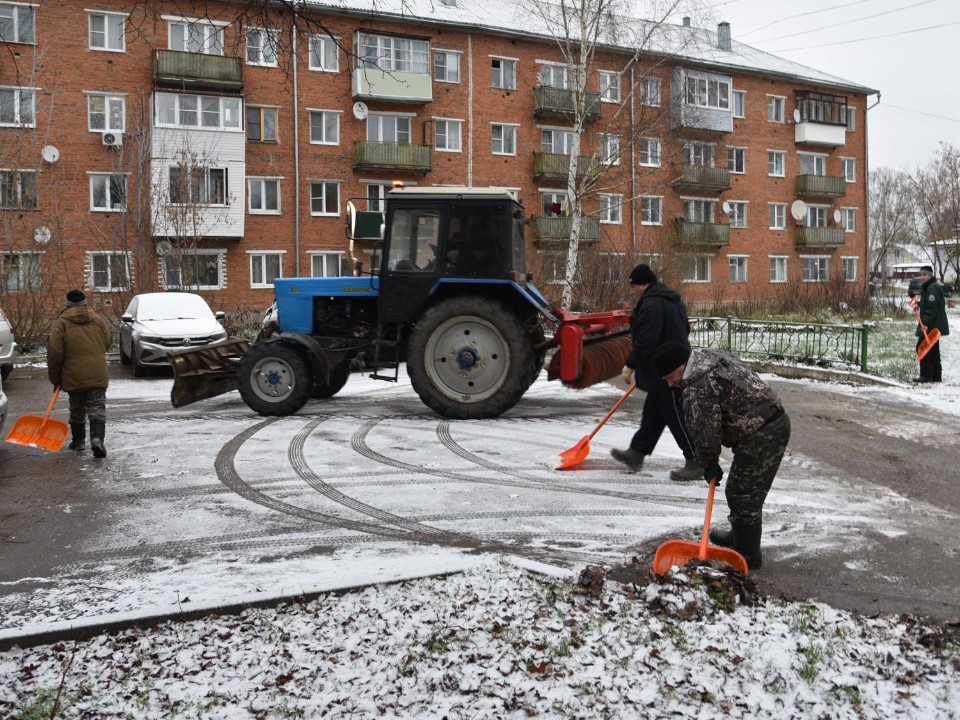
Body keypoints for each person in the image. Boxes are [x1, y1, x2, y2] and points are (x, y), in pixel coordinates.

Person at [650, 341, 791, 569]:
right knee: (741, 488)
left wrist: (708, 464)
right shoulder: (705, 356)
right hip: (769, 421)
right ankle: (740, 535)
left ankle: (748, 553)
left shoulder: (696, 387)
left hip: (763, 432)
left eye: (669, 377)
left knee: (743, 493)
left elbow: (706, 433)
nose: (670, 383)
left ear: (681, 365)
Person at [611, 264, 701, 481]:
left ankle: (697, 461)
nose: (632, 291)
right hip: (670, 364)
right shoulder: (671, 298)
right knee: (654, 412)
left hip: (668, 370)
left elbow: (646, 339)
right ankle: (637, 452)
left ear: (644, 284)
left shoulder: (652, 304)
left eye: (634, 286)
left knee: (676, 414)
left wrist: (631, 363)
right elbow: (685, 328)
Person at [47, 289, 113, 458]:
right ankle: (97, 439)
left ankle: (78, 441)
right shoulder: (98, 320)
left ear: (68, 305)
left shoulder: (61, 324)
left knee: (77, 409)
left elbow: (55, 354)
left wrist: (55, 379)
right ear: (85, 303)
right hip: (97, 373)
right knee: (97, 408)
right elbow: (107, 342)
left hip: (73, 375)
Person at [912, 265, 949, 384]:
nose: (922, 277)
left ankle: (926, 376)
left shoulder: (932, 288)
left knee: (922, 347)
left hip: (932, 325)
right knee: (933, 350)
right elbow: (928, 303)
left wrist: (926, 324)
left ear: (930, 275)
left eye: (925, 275)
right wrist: (919, 304)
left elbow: (932, 309)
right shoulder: (930, 286)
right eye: (921, 275)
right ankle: (936, 377)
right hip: (934, 324)